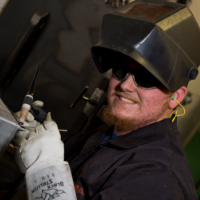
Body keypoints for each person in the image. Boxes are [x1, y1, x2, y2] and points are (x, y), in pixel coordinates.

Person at [12, 1, 200, 199]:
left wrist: (44, 168)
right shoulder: (106, 136)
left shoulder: (157, 178)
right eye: (120, 71)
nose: (125, 85)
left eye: (145, 79)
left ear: (175, 97)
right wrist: (35, 147)